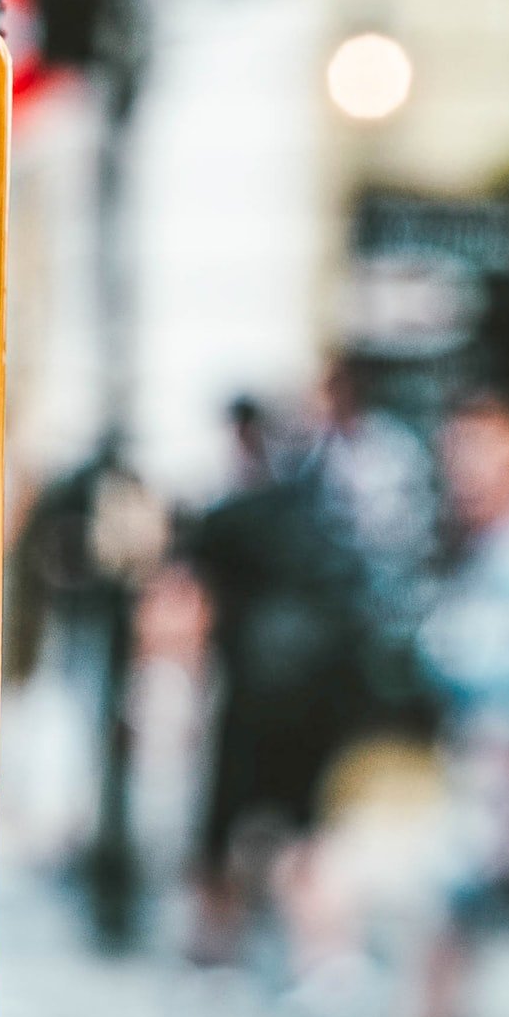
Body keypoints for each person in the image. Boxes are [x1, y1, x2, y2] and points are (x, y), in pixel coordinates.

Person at [367, 381, 509, 1017]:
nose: (463, 471)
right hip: (485, 778)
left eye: (482, 451)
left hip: (501, 784)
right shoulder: (479, 552)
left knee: (441, 939)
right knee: (442, 943)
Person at [181, 397, 379, 966]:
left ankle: (215, 957)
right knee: (304, 831)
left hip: (251, 693)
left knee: (222, 830)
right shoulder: (324, 517)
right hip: (314, 698)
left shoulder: (230, 516)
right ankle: (321, 965)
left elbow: (185, 602)